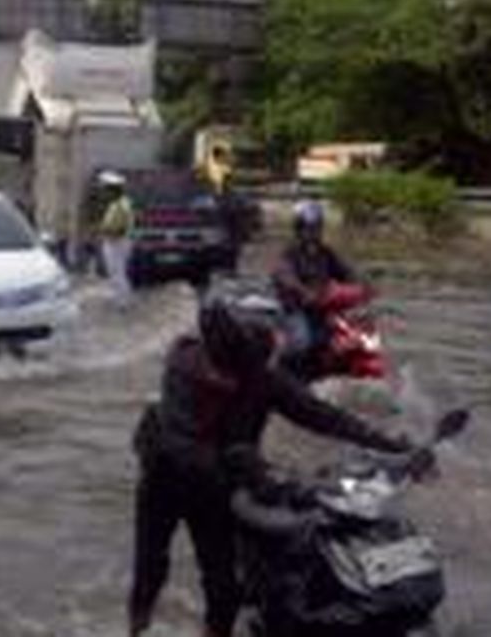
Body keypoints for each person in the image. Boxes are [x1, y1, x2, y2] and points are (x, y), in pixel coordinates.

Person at [127, 295, 409, 637]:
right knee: (151, 570)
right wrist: (258, 473)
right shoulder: (185, 366)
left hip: (214, 483)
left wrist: (388, 443)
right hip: (168, 478)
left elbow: (319, 414)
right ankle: (137, 628)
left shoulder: (259, 377)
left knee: (223, 588)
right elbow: (189, 448)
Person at [272, 199, 357, 357]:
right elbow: (285, 275)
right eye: (309, 228)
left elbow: (346, 273)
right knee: (303, 342)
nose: (314, 233)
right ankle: (282, 366)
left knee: (352, 338)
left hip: (322, 309)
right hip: (295, 310)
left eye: (317, 228)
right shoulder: (290, 254)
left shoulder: (326, 253)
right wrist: (303, 291)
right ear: (299, 229)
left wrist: (361, 287)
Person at [98, 171, 136, 306]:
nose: (103, 193)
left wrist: (107, 232)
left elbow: (121, 228)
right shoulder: (116, 204)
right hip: (114, 242)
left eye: (105, 189)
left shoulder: (121, 205)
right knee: (114, 271)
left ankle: (123, 301)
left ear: (113, 190)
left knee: (117, 271)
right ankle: (120, 297)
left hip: (117, 243)